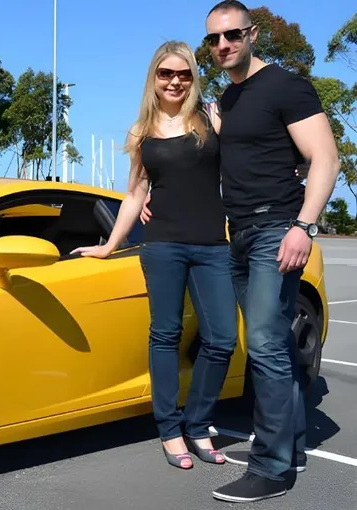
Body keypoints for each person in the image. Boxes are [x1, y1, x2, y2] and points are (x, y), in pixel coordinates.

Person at [140, 0, 340, 503]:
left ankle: (271, 468)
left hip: (279, 230)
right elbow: (202, 164)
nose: (223, 45)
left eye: (232, 35)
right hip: (241, 234)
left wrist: (304, 226)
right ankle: (290, 444)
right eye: (214, 39)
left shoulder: (286, 86)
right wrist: (150, 199)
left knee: (267, 345)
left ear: (253, 35)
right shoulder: (224, 104)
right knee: (270, 344)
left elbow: (326, 158)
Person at [72, 40, 237, 470]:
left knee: (222, 337)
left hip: (212, 246)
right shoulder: (140, 132)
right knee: (164, 335)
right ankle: (169, 430)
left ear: (193, 78)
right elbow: (134, 193)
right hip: (162, 245)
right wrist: (110, 245)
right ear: (154, 78)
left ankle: (198, 424)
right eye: (166, 73)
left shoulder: (211, 120)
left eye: (183, 74)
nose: (175, 81)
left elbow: (243, 163)